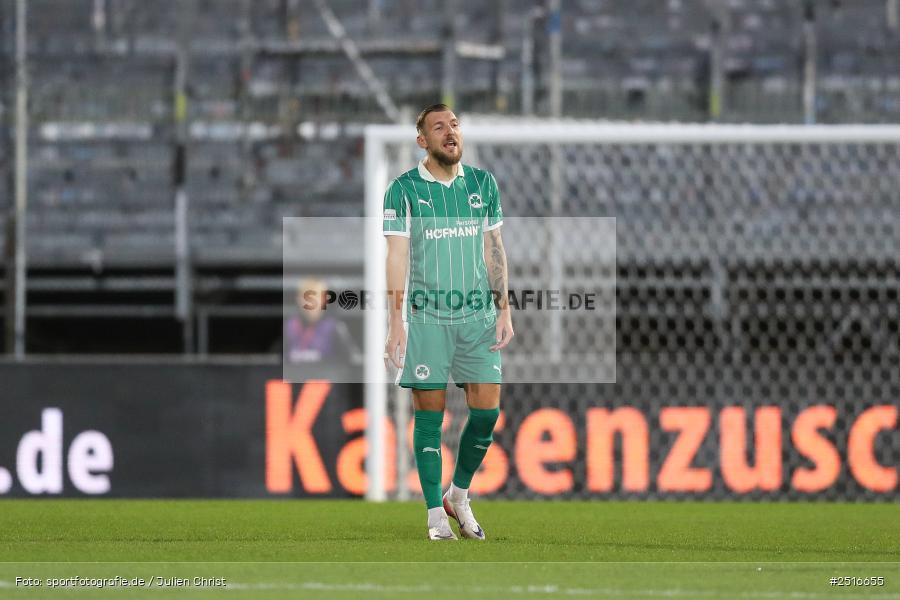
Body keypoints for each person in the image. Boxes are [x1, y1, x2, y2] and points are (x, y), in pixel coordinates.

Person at [382, 104, 514, 541]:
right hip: (428, 317)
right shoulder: (403, 190)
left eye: (455, 124)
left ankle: (458, 495)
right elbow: (396, 255)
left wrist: (504, 308)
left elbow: (494, 248)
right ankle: (434, 516)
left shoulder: (482, 184)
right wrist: (395, 321)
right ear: (423, 140)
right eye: (439, 127)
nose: (450, 131)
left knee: (487, 412)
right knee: (429, 419)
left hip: (477, 316)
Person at [284, 278, 356, 363]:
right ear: (299, 300)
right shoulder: (289, 327)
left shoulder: (335, 328)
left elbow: (351, 362)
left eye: (316, 297)